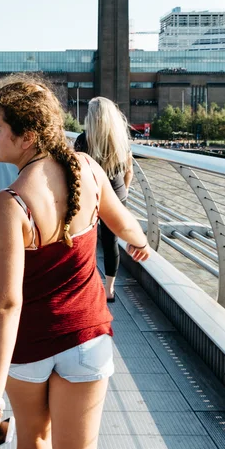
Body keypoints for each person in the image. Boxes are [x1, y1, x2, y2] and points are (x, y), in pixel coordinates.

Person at [0, 74, 150, 449]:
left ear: (28, 136)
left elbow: (7, 305)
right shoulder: (87, 169)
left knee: (32, 438)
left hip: (29, 347)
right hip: (87, 338)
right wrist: (139, 244)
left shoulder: (9, 204)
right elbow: (124, 224)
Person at [75, 97, 134, 302]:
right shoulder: (121, 140)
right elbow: (129, 171)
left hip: (90, 196)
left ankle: (86, 285)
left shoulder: (83, 140)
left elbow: (78, 172)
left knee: (85, 240)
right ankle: (109, 290)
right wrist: (122, 193)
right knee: (111, 242)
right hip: (116, 196)